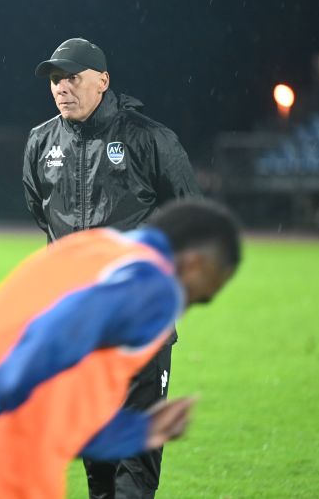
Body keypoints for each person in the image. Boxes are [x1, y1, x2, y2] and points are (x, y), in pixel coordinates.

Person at [0, 199, 242, 499]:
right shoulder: (155, 285)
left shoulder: (88, 247)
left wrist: (139, 433)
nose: (187, 308)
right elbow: (63, 327)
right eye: (201, 296)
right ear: (194, 265)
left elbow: (66, 421)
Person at [24, 37, 202, 498]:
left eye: (72, 77)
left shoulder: (149, 139)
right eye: (55, 80)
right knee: (97, 458)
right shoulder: (41, 143)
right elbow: (44, 217)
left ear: (102, 81)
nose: (62, 88)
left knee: (136, 454)